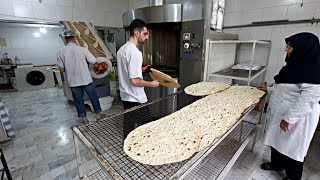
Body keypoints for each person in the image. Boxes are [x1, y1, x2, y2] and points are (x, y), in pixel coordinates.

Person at [257, 32, 320, 180]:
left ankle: (293, 176)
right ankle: (277, 164)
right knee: (276, 142)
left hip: (297, 119)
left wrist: (290, 118)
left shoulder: (314, 71)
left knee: (292, 149)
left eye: (290, 46)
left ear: (303, 48)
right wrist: (269, 89)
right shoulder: (294, 66)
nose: (286, 49)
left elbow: (310, 98)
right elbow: (284, 87)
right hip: (281, 112)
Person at [117, 19, 160, 138]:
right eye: (145, 34)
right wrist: (152, 84)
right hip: (136, 98)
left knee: (129, 124)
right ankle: (145, 151)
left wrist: (141, 70)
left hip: (126, 96)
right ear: (137, 33)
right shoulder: (135, 53)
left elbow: (127, 72)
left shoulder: (122, 50)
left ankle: (128, 146)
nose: (147, 38)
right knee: (146, 128)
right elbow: (134, 81)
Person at [57, 30, 105, 124]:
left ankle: (84, 119)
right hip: (86, 80)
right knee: (93, 97)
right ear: (74, 38)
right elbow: (94, 63)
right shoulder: (83, 49)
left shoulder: (60, 52)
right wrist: (101, 68)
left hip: (73, 82)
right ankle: (98, 115)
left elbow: (62, 70)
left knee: (78, 100)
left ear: (65, 40)